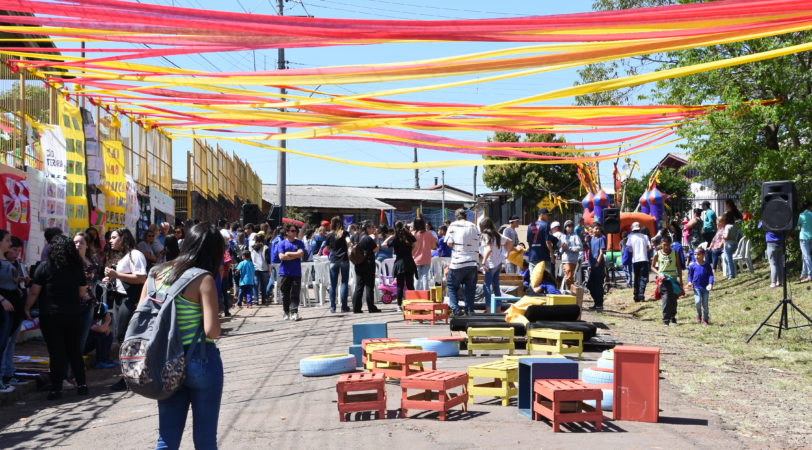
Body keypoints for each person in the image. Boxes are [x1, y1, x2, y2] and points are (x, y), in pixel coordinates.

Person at [141, 222, 224, 450]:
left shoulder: (155, 274)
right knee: (205, 439)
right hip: (200, 359)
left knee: (166, 438)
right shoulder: (203, 279)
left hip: (164, 361)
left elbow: (142, 320)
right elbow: (212, 331)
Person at [24, 235, 88, 399]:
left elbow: (34, 292)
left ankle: (56, 388)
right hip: (73, 314)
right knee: (74, 350)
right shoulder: (77, 268)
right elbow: (82, 293)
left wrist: (27, 308)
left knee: (56, 352)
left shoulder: (44, 267)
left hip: (51, 315)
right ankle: (82, 385)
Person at [104, 227, 147, 392]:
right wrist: (111, 279)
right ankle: (128, 376)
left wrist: (117, 275)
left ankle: (131, 377)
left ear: (123, 238)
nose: (110, 240)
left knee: (126, 337)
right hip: (119, 299)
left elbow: (141, 278)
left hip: (130, 300)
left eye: (114, 237)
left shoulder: (135, 255)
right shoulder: (122, 256)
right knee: (121, 337)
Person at [445, 208, 481, 316]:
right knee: (470, 289)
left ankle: (456, 310)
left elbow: (449, 243)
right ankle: (469, 311)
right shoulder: (474, 226)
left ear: (456, 216)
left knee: (451, 286)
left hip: (458, 262)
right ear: (466, 216)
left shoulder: (453, 226)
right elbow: (479, 242)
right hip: (472, 262)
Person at [0, 231, 23, 393]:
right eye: (7, 240)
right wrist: (2, 299)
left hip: (11, 308)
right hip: (3, 307)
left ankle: (4, 377)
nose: (10, 243)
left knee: (5, 343)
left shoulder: (7, 262)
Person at [383, 221, 416, 311]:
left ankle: (399, 305)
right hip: (409, 262)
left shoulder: (396, 238)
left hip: (399, 263)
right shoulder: (409, 236)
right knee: (410, 284)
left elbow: (384, 245)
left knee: (400, 286)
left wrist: (390, 236)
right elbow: (415, 244)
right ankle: (412, 303)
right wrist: (409, 252)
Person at [651, 234, 683, 326]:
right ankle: (666, 319)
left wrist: (680, 280)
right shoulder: (657, 254)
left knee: (673, 299)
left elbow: (679, 267)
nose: (666, 247)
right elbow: (652, 267)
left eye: (668, 245)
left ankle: (673, 316)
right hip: (663, 279)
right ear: (661, 244)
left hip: (673, 278)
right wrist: (659, 273)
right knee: (666, 298)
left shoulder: (675, 253)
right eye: (664, 245)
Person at [479, 217, 511, 310]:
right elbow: (509, 241)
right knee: (496, 286)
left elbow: (488, 249)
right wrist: (506, 253)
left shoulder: (485, 235)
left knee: (486, 286)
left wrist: (483, 262)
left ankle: (488, 308)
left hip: (490, 264)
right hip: (498, 263)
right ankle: (498, 308)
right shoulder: (497, 235)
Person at [351, 221, 381, 313]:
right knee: (369, 286)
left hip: (358, 263)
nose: (374, 229)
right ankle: (371, 307)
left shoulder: (356, 236)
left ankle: (356, 308)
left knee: (359, 286)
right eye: (372, 227)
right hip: (368, 264)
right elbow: (376, 249)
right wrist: (377, 239)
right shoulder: (368, 238)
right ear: (367, 228)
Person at [324, 216, 351, 313]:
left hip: (334, 260)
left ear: (332, 224)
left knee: (333, 285)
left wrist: (334, 249)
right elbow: (349, 243)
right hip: (344, 259)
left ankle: (332, 307)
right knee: (344, 283)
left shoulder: (329, 235)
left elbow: (327, 249)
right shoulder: (345, 233)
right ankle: (344, 307)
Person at [687, 247, 714, 326]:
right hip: (696, 287)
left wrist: (710, 283)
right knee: (697, 302)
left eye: (698, 254)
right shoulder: (692, 266)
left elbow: (710, 275)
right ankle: (699, 314)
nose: (696, 256)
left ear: (703, 255)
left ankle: (706, 319)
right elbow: (690, 275)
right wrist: (689, 282)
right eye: (695, 254)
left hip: (705, 288)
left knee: (705, 304)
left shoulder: (707, 265)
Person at [626, 222, 651, 303]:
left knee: (636, 278)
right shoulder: (645, 236)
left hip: (635, 260)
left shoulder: (630, 237)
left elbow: (629, 249)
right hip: (644, 259)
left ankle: (636, 295)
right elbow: (649, 248)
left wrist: (634, 250)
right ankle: (641, 295)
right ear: (639, 228)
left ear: (632, 229)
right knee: (643, 278)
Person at [85, 302, 115, 368]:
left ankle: (106, 360)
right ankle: (100, 361)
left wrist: (106, 322)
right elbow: (101, 330)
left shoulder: (93, 321)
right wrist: (107, 321)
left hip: (85, 344)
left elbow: (107, 332)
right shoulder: (88, 320)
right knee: (99, 336)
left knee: (108, 335)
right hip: (81, 347)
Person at [527, 208, 555, 276]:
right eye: (547, 215)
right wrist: (551, 255)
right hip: (544, 256)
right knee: (546, 279)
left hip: (532, 257)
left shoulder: (530, 225)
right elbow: (547, 242)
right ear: (541, 215)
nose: (549, 217)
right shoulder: (546, 225)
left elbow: (528, 242)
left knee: (534, 280)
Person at [411, 217, 437, 290]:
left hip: (415, 258)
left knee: (417, 277)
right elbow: (433, 247)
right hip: (426, 258)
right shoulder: (429, 234)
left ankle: (416, 295)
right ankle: (426, 294)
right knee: (425, 276)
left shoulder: (412, 234)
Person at [758, 220, 784, 289]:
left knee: (773, 264)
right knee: (780, 264)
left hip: (771, 244)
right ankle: (780, 282)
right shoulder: (780, 218)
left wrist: (761, 220)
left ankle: (773, 283)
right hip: (780, 243)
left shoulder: (767, 219)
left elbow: (760, 226)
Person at [586, 223, 606, 311]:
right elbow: (589, 252)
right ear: (592, 229)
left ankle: (599, 304)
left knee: (598, 286)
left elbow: (601, 253)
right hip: (592, 266)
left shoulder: (601, 239)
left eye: (598, 228)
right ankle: (596, 302)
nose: (597, 230)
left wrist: (597, 263)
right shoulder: (591, 239)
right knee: (590, 285)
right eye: (595, 228)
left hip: (599, 266)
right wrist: (590, 265)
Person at [559, 220, 583, 291]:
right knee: (567, 277)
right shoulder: (562, 237)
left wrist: (569, 248)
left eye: (571, 226)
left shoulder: (575, 236)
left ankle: (571, 292)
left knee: (569, 277)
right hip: (564, 260)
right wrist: (562, 248)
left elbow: (580, 247)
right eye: (568, 226)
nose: (570, 228)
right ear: (565, 227)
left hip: (572, 260)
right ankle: (572, 292)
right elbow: (560, 250)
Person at [250, 232, 270, 304]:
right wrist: (269, 269)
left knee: (255, 285)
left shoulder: (251, 248)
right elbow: (268, 260)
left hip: (254, 268)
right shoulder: (265, 247)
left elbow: (250, 259)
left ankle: (256, 299)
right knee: (263, 286)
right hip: (264, 268)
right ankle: (263, 300)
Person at [798, 200, 812, 283]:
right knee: (804, 256)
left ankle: (810, 275)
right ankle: (803, 275)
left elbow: (798, 226)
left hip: (803, 238)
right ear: (809, 206)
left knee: (806, 257)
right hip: (811, 237)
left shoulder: (801, 215)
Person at [722, 212, 738, 280]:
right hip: (734, 243)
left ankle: (731, 275)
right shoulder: (735, 225)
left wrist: (722, 236)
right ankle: (729, 273)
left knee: (729, 260)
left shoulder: (727, 226)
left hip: (728, 245)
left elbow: (726, 236)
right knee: (726, 259)